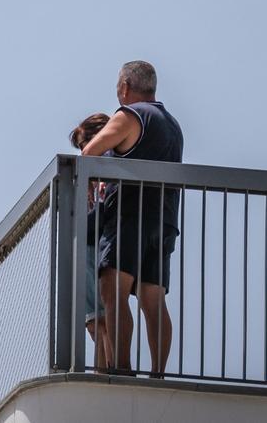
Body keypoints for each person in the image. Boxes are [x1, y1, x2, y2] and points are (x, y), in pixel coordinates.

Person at [81, 60, 183, 376]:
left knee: (113, 292)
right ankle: (157, 373)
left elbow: (90, 153)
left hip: (128, 217)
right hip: (163, 219)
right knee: (153, 302)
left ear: (125, 87)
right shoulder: (172, 125)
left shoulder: (130, 115)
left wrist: (89, 182)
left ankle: (120, 369)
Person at [70, 112, 114, 370]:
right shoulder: (104, 166)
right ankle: (103, 373)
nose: (84, 152)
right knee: (98, 323)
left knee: (101, 321)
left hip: (96, 244)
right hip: (93, 243)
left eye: (83, 145)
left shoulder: (106, 162)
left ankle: (106, 373)